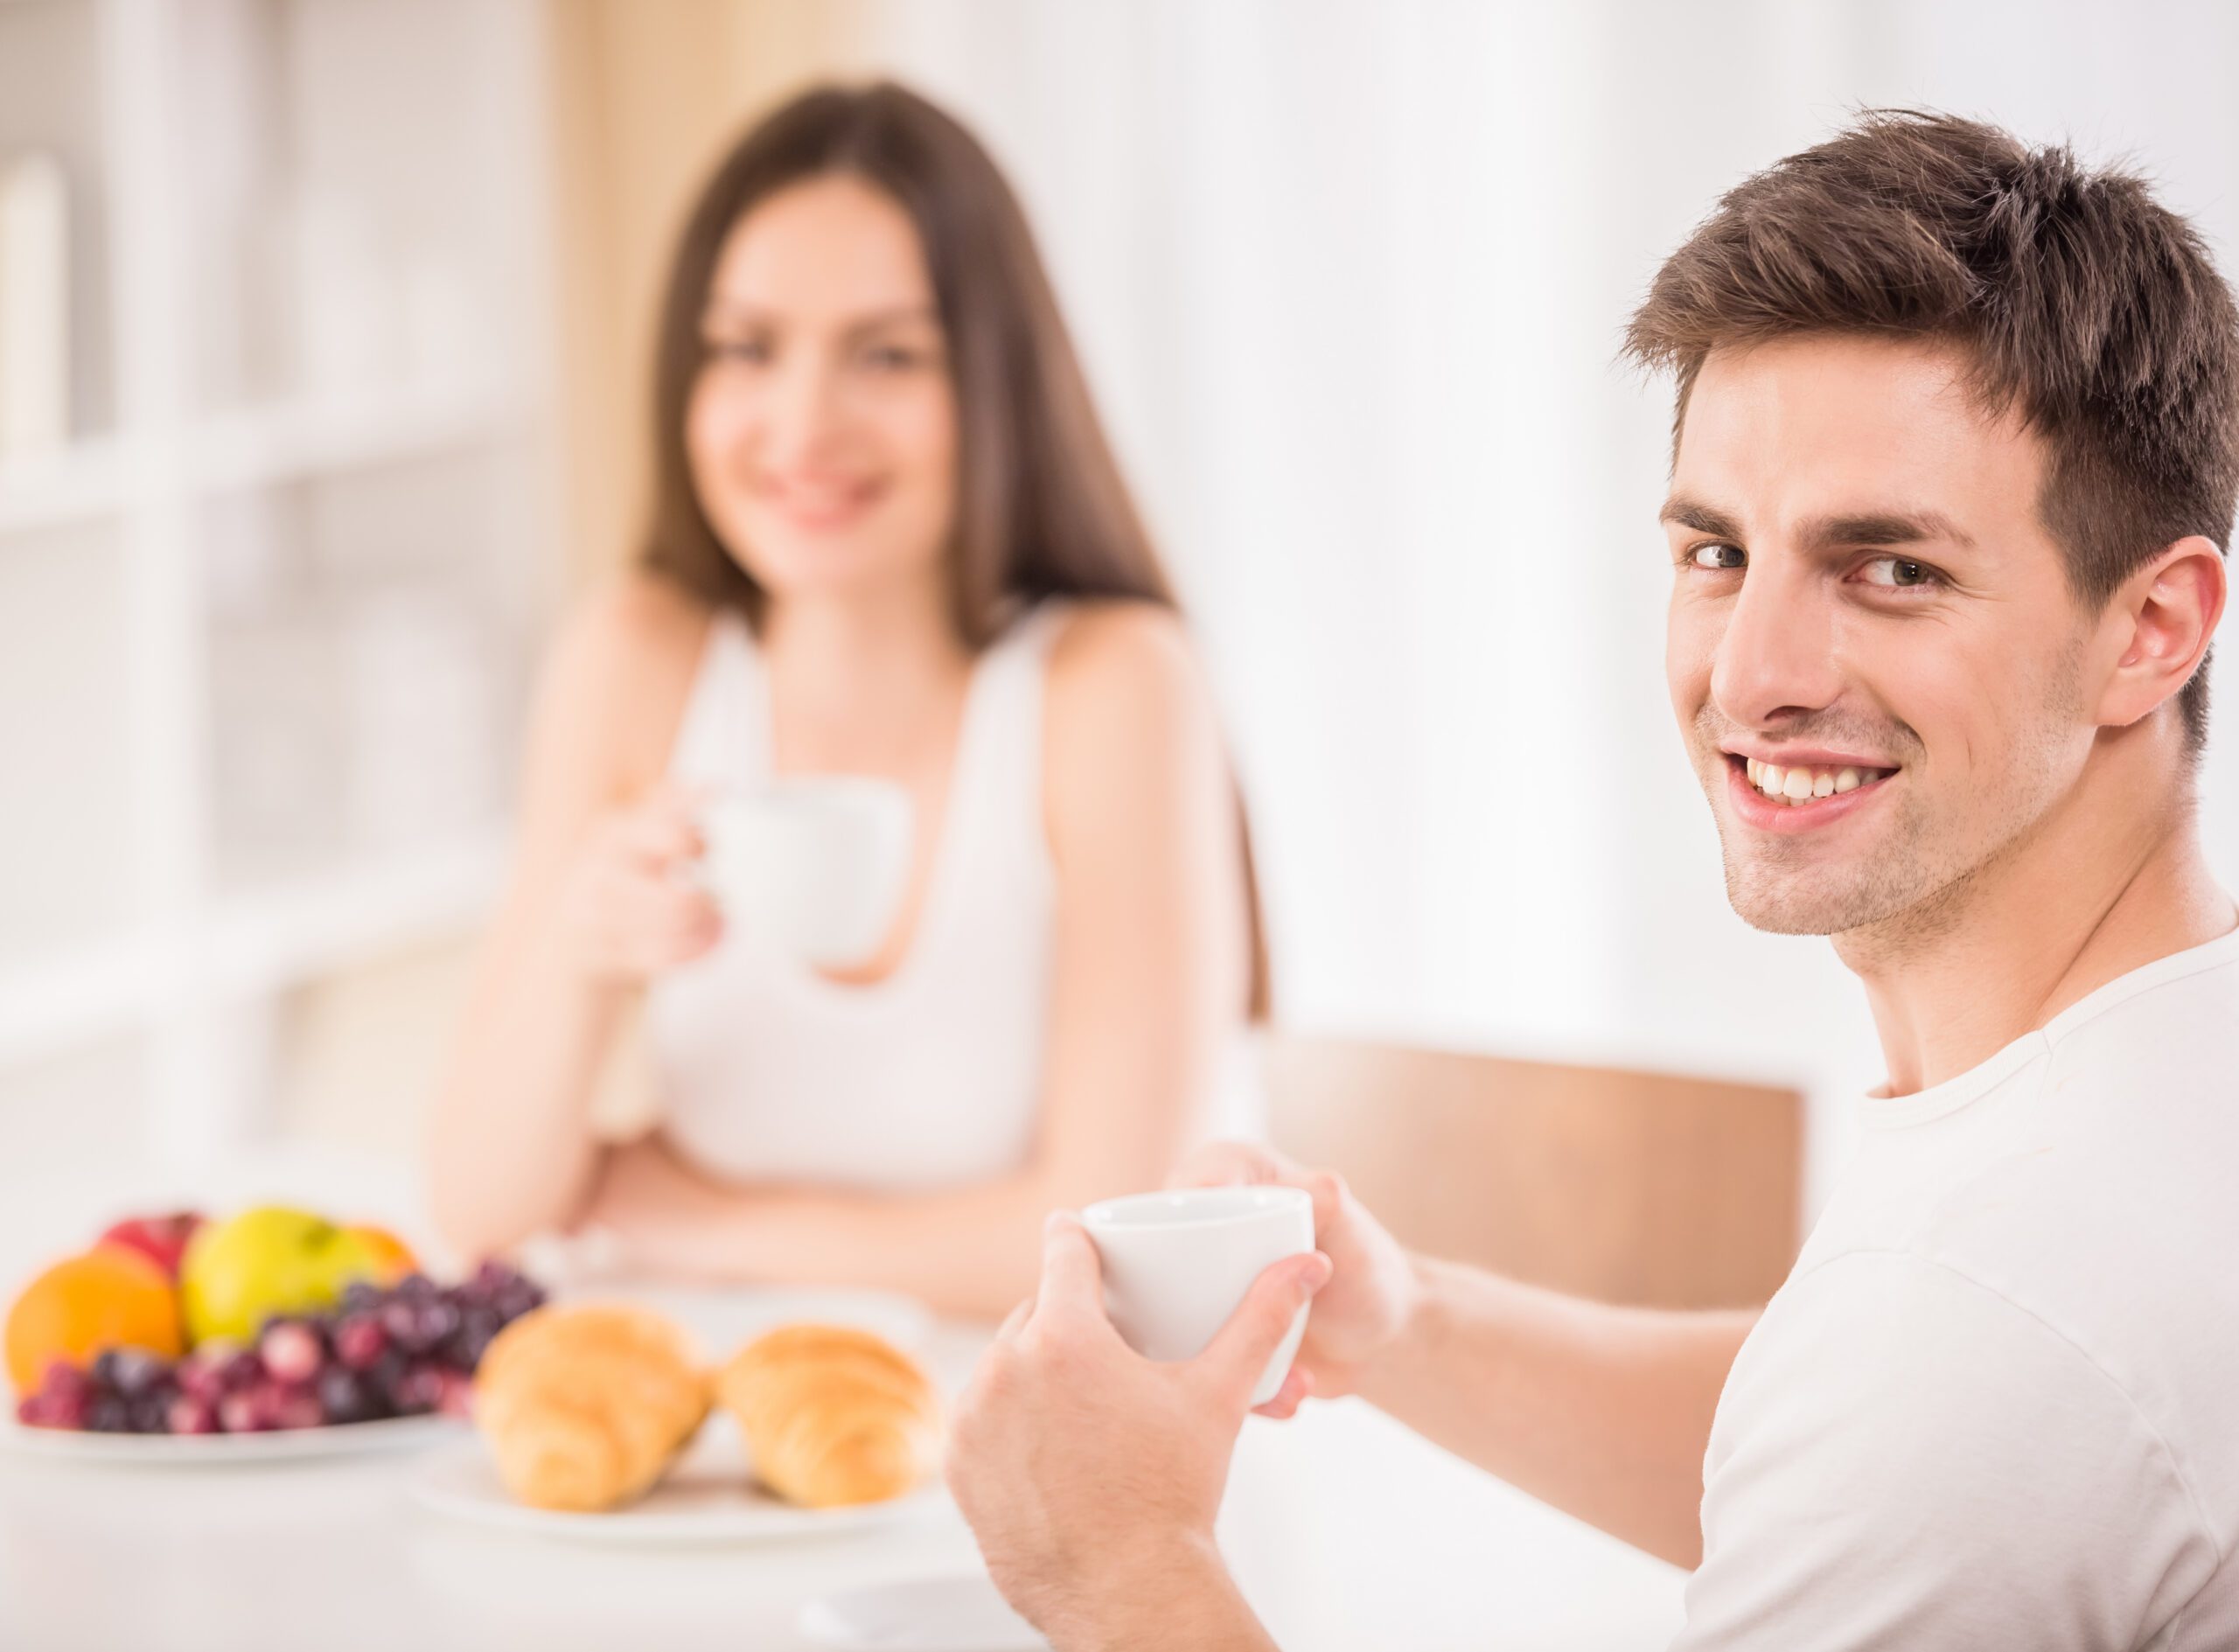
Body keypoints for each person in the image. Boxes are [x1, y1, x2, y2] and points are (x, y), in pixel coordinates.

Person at [946, 110, 2239, 1649]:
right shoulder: (2150, 1088)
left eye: (1890, 569)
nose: (1751, 674)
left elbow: (1938, 1408)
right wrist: (1405, 1324)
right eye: (1715, 552)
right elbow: (1848, 1448)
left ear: (2153, 627)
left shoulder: (1978, 1317)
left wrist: (1121, 1568)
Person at [424, 83, 1266, 1320]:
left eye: (887, 354)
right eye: (749, 348)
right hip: (754, 1447)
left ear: (996, 382)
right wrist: (578, 954)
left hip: (1078, 1443)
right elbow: (480, 1215)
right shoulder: (632, 657)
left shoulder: (1113, 684)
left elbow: (1108, 1236)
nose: (803, 424)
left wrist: (704, 1224)